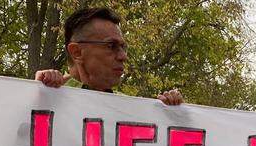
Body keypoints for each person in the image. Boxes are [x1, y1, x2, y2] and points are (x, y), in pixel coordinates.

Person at [34, 6, 183, 104]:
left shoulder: (129, 108)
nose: (123, 56)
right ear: (77, 52)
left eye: (123, 47)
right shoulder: (47, 96)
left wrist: (172, 115)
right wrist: (36, 96)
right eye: (111, 46)